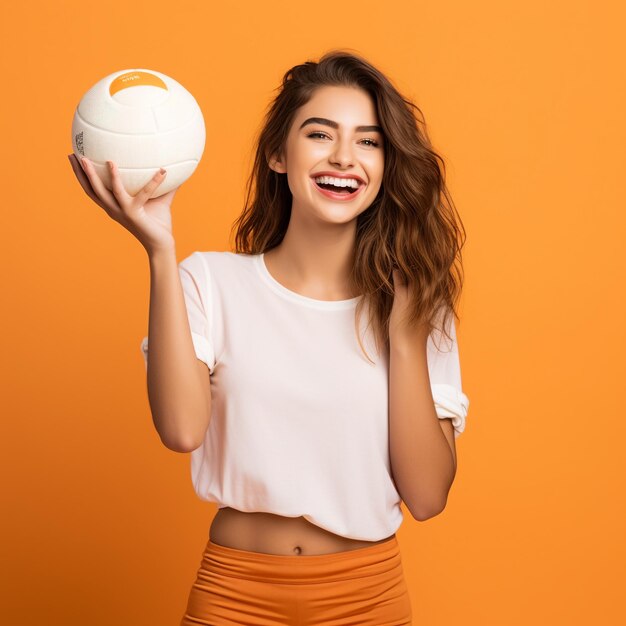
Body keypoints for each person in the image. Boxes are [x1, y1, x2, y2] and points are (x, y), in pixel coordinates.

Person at [68, 49, 469, 626]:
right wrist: (160, 250)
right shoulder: (209, 282)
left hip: (367, 599)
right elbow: (181, 431)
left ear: (386, 165)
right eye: (320, 134)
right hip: (234, 594)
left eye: (369, 141)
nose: (343, 158)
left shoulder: (419, 304)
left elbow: (428, 497)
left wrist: (405, 339)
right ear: (279, 154)